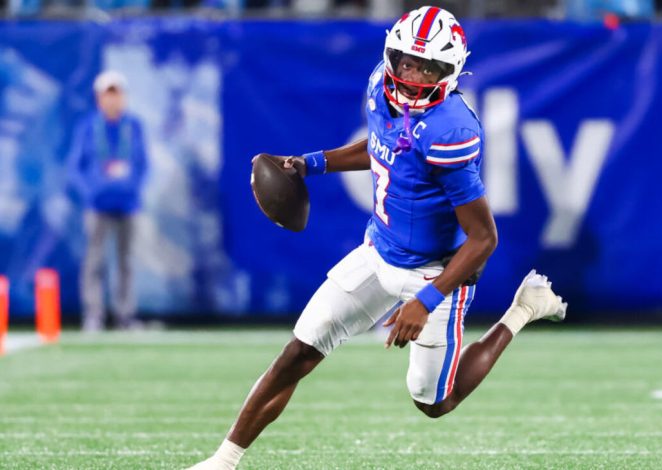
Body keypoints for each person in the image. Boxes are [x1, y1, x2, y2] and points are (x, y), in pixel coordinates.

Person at [187, 6, 566, 469]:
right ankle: (223, 461)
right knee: (299, 351)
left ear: (450, 71)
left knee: (433, 403)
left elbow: (484, 239)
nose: (411, 74)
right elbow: (381, 146)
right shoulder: (378, 86)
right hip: (378, 250)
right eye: (405, 60)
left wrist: (425, 300)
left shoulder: (451, 129)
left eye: (427, 67)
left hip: (436, 272)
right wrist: (313, 162)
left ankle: (523, 309)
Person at [67, 70, 148, 331]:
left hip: (128, 205)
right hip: (97, 206)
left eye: (116, 94)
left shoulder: (133, 126)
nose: (112, 100)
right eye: (107, 94)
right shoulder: (88, 127)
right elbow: (74, 168)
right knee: (94, 261)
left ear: (123, 97)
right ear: (99, 98)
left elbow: (143, 164)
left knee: (126, 262)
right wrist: (91, 191)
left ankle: (125, 315)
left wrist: (133, 188)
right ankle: (94, 315)